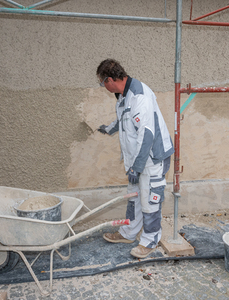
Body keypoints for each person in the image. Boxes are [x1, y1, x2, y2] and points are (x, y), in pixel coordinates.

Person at [96, 59, 174, 259]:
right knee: (134, 199)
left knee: (150, 201)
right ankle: (129, 233)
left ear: (110, 79)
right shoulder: (123, 95)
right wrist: (109, 128)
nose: (103, 87)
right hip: (136, 161)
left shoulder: (139, 96)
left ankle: (150, 241)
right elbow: (124, 120)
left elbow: (146, 135)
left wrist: (136, 168)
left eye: (102, 82)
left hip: (151, 158)